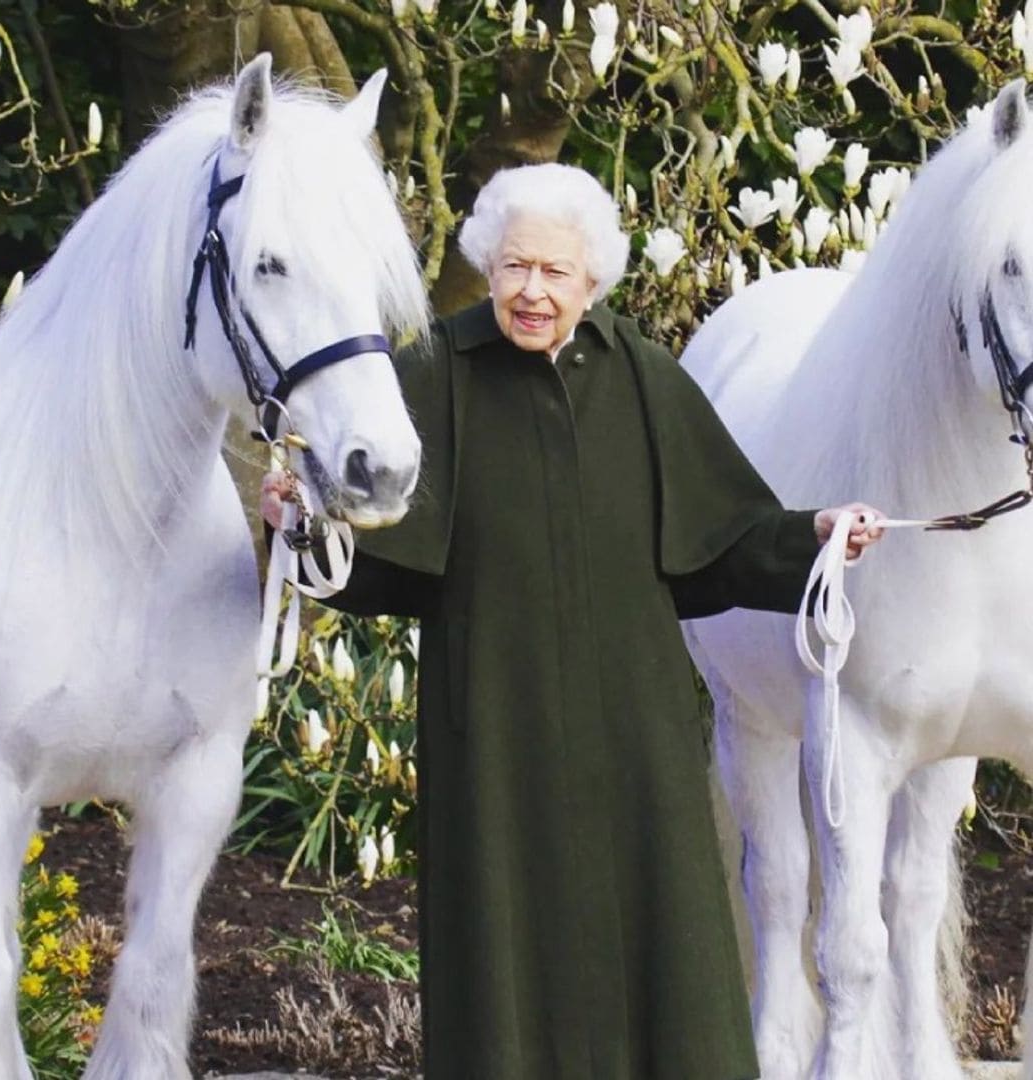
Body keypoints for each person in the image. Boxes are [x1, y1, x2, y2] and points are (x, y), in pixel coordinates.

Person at [261, 163, 882, 1080]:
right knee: (505, 956)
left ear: (593, 280)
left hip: (636, 740)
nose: (532, 292)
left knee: (664, 948)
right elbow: (375, 557)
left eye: (555, 272)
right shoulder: (436, 370)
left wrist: (815, 536)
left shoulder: (640, 374)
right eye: (515, 267)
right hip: (495, 738)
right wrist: (299, 526)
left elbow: (723, 538)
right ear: (488, 265)